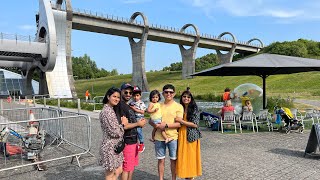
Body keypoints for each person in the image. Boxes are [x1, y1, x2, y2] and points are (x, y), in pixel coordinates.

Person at [149, 84, 183, 180]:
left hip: (173, 137)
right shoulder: (157, 105)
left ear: (174, 93)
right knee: (161, 160)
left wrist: (166, 125)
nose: (169, 94)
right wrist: (155, 125)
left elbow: (179, 124)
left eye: (171, 92)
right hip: (159, 137)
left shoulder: (179, 106)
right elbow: (150, 120)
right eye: (166, 92)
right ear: (162, 93)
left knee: (173, 160)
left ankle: (173, 179)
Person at [114, 83, 146, 180]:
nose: (128, 94)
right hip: (127, 140)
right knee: (126, 168)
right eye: (126, 92)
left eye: (130, 92)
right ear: (121, 92)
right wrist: (138, 124)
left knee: (131, 166)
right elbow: (124, 126)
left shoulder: (128, 106)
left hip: (133, 140)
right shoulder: (121, 106)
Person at [99, 87, 128, 180]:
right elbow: (114, 132)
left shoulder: (111, 109)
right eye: (114, 96)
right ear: (108, 97)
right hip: (110, 147)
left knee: (118, 170)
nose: (116, 99)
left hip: (115, 146)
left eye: (118, 97)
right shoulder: (107, 111)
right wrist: (123, 124)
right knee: (110, 174)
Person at [175, 90, 202, 179]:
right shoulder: (179, 107)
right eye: (184, 96)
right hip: (181, 134)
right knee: (183, 156)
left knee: (190, 156)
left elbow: (195, 124)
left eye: (188, 97)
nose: (186, 98)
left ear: (191, 99)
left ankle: (191, 176)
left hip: (191, 135)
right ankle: (186, 175)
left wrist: (181, 121)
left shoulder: (194, 108)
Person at [129, 86, 147, 153]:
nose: (135, 97)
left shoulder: (141, 103)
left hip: (139, 118)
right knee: (133, 131)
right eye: (134, 96)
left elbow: (143, 111)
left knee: (139, 131)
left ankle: (142, 143)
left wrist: (135, 109)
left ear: (140, 95)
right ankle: (135, 144)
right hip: (133, 118)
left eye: (137, 95)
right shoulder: (132, 102)